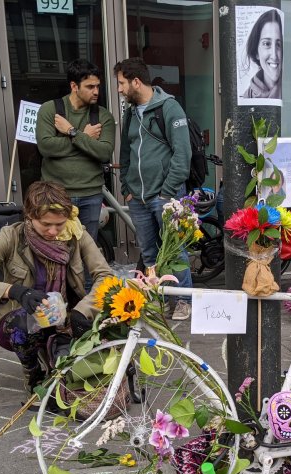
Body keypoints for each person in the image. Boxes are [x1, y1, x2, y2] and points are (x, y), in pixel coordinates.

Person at [0, 181, 112, 404]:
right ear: (30, 215)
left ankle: (57, 355)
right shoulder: (10, 237)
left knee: (118, 314)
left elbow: (106, 277)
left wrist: (82, 310)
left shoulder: (76, 234)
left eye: (59, 224)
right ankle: (33, 376)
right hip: (22, 318)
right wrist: (15, 291)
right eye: (46, 224)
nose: (53, 231)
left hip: (66, 317)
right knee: (22, 326)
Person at [114, 57, 193, 321]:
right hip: (138, 197)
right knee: (148, 251)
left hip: (165, 196)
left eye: (122, 83)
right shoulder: (130, 112)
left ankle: (182, 300)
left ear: (136, 82)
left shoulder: (169, 108)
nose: (120, 89)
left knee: (175, 249)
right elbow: (126, 152)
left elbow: (183, 155)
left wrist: (167, 192)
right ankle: (158, 296)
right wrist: (127, 187)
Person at [36, 59, 115, 244]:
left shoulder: (103, 116)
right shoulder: (50, 110)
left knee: (87, 252)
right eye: (90, 86)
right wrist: (86, 140)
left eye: (97, 86)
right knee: (56, 250)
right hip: (56, 195)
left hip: (91, 194)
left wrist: (73, 133)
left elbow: (104, 153)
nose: (96, 91)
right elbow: (46, 147)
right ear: (74, 86)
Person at [241, 9, 283, 99]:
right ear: (256, 52)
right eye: (267, 44)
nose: (274, 55)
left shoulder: (290, 90)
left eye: (279, 45)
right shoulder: (247, 97)